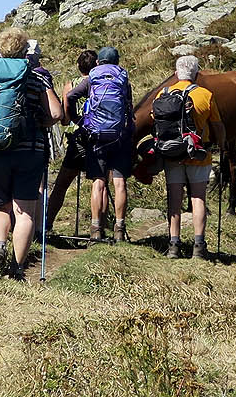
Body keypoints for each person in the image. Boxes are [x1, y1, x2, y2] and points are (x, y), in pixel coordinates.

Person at [0, 28, 63, 276]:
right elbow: (56, 113)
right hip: (29, 150)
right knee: (24, 211)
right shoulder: (35, 77)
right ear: (24, 51)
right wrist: (40, 123)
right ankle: (17, 268)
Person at [152, 54, 224, 260]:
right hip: (199, 154)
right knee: (198, 198)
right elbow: (217, 126)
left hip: (171, 154)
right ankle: (199, 246)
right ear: (197, 74)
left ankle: (174, 245)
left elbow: (155, 120)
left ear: (176, 73)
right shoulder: (206, 95)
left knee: (174, 200)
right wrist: (222, 146)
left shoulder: (163, 94)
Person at [76, 44, 135, 243]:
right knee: (119, 183)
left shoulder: (92, 77)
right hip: (119, 136)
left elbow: (70, 96)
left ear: (98, 61)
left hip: (97, 136)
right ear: (117, 62)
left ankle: (95, 229)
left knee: (98, 182)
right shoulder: (122, 78)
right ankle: (119, 229)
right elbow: (128, 107)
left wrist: (78, 120)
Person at [41, 48, 97, 239]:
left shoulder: (71, 85)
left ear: (78, 66)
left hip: (77, 138)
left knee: (62, 184)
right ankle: (98, 227)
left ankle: (47, 224)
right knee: (99, 184)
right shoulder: (102, 82)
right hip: (99, 138)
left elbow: (65, 120)